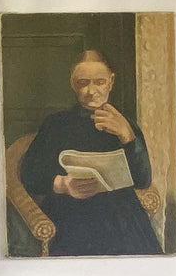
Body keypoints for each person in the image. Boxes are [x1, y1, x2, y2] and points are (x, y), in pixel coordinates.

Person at [18, 50, 162, 255]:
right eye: (83, 82)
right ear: (72, 83)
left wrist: (127, 136)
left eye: (100, 82)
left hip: (121, 215)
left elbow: (143, 180)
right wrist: (63, 184)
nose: (91, 91)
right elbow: (30, 174)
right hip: (71, 212)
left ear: (111, 82)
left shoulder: (125, 124)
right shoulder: (56, 124)